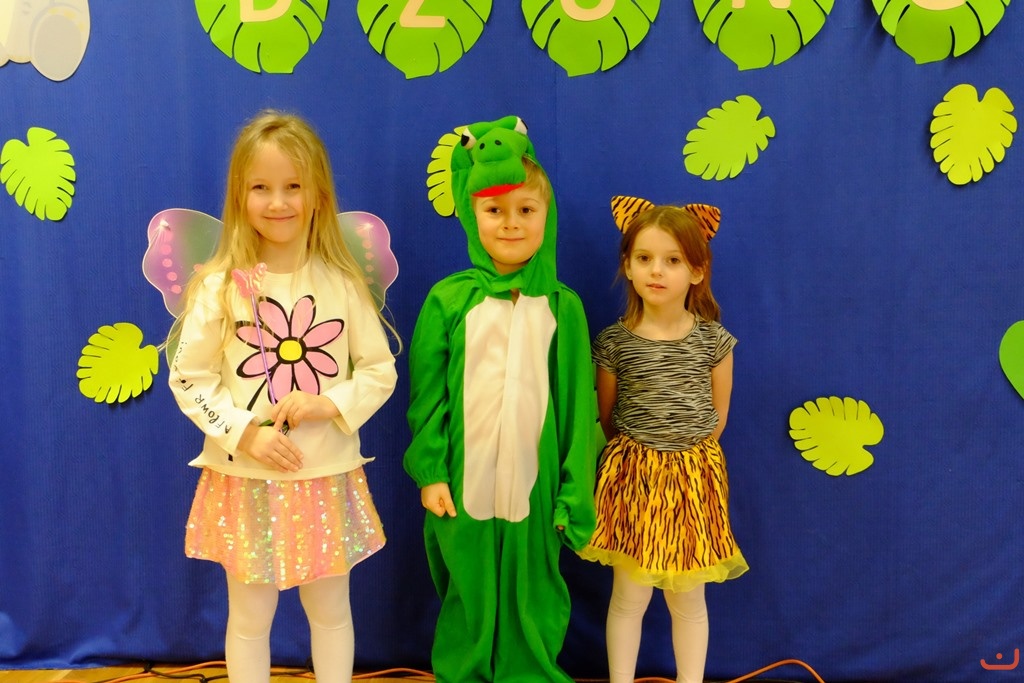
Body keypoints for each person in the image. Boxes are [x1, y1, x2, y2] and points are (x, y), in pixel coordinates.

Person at [167, 110, 398, 683]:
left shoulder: (342, 283)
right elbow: (189, 377)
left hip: (325, 476)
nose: (278, 202)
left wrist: (329, 403)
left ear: (318, 194)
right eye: (261, 188)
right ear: (239, 195)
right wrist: (246, 433)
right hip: (245, 478)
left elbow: (379, 371)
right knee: (249, 618)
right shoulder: (219, 287)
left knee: (331, 611)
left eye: (293, 186)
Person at [404, 115, 596, 683]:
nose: (511, 223)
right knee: (467, 588)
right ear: (471, 215)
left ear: (546, 216)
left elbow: (578, 409)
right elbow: (428, 399)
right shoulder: (449, 301)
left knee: (534, 589)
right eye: (494, 210)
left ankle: (528, 672)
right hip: (463, 480)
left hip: (536, 487)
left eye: (526, 210)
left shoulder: (563, 307)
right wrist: (431, 472)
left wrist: (573, 491)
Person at [579, 200, 748, 683]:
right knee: (628, 596)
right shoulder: (614, 343)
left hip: (693, 480)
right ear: (628, 266)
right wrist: (641, 460)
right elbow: (607, 417)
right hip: (633, 479)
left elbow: (718, 416)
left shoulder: (714, 341)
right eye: (645, 258)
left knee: (688, 599)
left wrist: (683, 461)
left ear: (697, 271)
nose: (657, 270)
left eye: (673, 260)